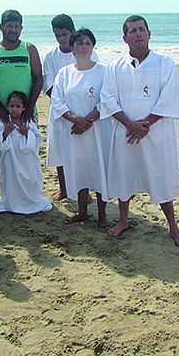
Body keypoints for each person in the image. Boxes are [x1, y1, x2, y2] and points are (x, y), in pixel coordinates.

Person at [99, 15, 179, 247]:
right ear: (125, 38)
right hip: (125, 133)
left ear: (149, 34)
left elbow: (169, 97)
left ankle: (173, 227)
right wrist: (130, 124)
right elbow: (107, 99)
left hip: (156, 134)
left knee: (159, 177)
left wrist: (145, 124)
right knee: (124, 175)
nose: (138, 34)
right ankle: (123, 221)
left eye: (141, 29)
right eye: (132, 31)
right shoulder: (115, 67)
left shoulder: (164, 62)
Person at [0, 9, 43, 205]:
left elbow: (38, 78)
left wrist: (30, 107)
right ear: (1, 27)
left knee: (27, 150)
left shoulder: (29, 49)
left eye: (16, 26)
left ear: (21, 28)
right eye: (9, 26)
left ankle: (28, 192)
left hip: (26, 112)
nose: (13, 30)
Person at [51, 28, 109, 227]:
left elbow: (108, 99)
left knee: (99, 169)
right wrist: (75, 119)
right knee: (79, 169)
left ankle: (102, 215)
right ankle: (82, 211)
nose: (84, 47)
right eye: (79, 43)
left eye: (87, 43)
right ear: (72, 47)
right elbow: (57, 101)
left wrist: (88, 121)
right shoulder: (64, 73)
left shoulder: (103, 71)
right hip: (73, 131)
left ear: (93, 47)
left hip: (97, 131)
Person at [43, 14, 98, 200]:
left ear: (73, 32)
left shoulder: (85, 50)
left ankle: (86, 189)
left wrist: (82, 117)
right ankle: (64, 188)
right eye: (57, 35)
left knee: (85, 152)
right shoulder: (50, 55)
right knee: (60, 150)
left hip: (85, 111)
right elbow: (49, 85)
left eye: (65, 34)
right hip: (61, 113)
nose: (61, 39)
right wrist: (69, 113)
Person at [0, 91, 51, 214]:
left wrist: (26, 133)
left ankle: (30, 201)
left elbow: (38, 138)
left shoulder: (28, 122)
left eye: (18, 106)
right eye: (12, 106)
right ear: (7, 106)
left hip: (27, 160)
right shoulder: (4, 122)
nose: (14, 109)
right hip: (10, 160)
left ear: (24, 107)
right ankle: (13, 203)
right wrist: (6, 132)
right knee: (11, 180)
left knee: (31, 179)